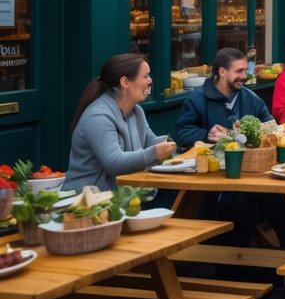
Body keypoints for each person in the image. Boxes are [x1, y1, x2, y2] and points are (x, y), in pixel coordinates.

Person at [64, 54, 177, 193]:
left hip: (119, 201)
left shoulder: (136, 111)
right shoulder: (98, 117)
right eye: (145, 76)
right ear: (125, 82)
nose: (150, 81)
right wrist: (155, 153)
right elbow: (114, 163)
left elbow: (149, 140)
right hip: (85, 204)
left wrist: (175, 145)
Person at [173, 48, 272, 145]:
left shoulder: (252, 98)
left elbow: (272, 127)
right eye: (239, 71)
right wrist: (206, 135)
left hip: (249, 158)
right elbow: (180, 133)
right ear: (222, 72)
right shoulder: (197, 98)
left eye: (245, 71)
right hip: (211, 159)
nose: (244, 76)